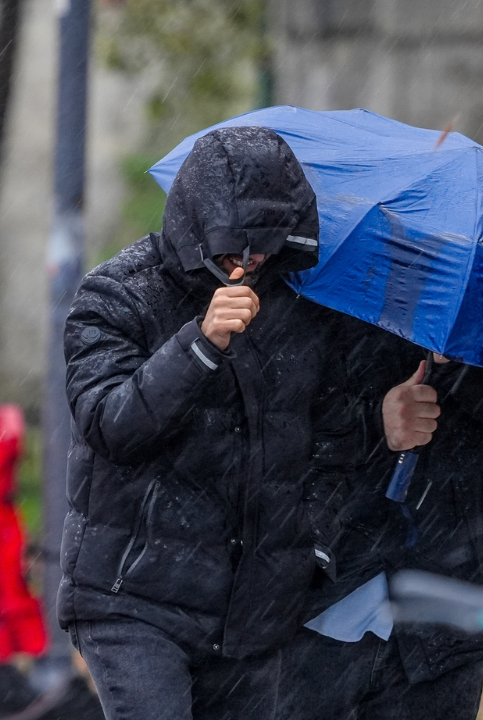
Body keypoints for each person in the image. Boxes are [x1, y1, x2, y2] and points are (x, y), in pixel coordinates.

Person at [58, 126, 349, 720]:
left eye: (265, 249)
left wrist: (311, 545)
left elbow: (325, 439)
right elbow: (111, 424)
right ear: (194, 226)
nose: (249, 264)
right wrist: (200, 344)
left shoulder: (298, 311)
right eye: (232, 249)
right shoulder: (117, 296)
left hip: (251, 611)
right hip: (132, 597)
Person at [279, 326, 483, 720]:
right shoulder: (327, 275)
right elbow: (273, 405)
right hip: (325, 587)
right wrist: (372, 423)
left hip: (447, 599)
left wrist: (465, 359)